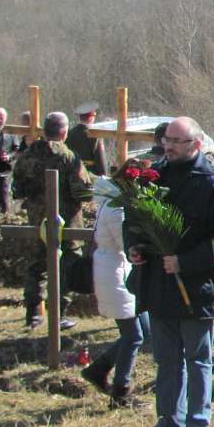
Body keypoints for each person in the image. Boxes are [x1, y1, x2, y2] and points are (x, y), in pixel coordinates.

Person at [127, 117, 214, 427]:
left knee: (197, 357)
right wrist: (134, 247)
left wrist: (186, 262)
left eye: (177, 141)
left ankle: (197, 421)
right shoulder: (153, 177)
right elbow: (134, 220)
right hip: (160, 284)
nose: (168, 145)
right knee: (166, 358)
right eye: (167, 140)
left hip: (196, 286)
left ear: (196, 145)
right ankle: (168, 421)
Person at [10, 112, 93, 329]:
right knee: (68, 265)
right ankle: (59, 314)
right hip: (67, 222)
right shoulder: (68, 157)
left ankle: (33, 316)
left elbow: (16, 189)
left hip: (38, 221)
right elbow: (83, 193)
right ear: (64, 133)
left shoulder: (27, 155)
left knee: (37, 266)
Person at [81, 174, 151, 408]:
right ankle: (121, 391)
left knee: (142, 332)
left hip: (115, 271)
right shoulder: (116, 210)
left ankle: (98, 369)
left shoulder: (110, 204)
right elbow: (127, 243)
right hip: (117, 273)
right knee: (134, 335)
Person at [66, 101, 108, 176]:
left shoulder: (69, 133)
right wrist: (104, 175)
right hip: (90, 175)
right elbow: (100, 163)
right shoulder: (95, 136)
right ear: (91, 118)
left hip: (72, 174)